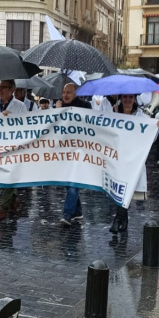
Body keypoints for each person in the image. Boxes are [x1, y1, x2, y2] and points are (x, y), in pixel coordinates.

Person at [0, 80, 29, 220]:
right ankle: (13, 199)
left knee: (9, 174)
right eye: (0, 87)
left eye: (4, 87)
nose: (0, 90)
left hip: (13, 146)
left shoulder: (20, 106)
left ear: (12, 90)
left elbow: (26, 124)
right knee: (0, 175)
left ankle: (3, 207)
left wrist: (10, 117)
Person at [110, 94, 148, 233]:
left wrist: (156, 126)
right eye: (125, 97)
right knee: (117, 189)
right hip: (116, 158)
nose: (127, 100)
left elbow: (151, 136)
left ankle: (118, 219)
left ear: (134, 99)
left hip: (133, 159)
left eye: (130, 97)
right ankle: (123, 218)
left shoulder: (142, 117)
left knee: (126, 189)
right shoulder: (113, 114)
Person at [56, 83, 92, 225]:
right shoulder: (59, 106)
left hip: (80, 151)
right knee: (68, 180)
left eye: (68, 92)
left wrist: (61, 112)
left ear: (75, 93)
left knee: (73, 181)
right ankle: (77, 211)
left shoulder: (85, 106)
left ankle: (68, 213)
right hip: (64, 151)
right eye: (63, 92)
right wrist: (57, 111)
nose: (65, 95)